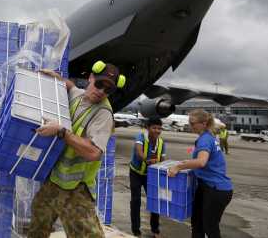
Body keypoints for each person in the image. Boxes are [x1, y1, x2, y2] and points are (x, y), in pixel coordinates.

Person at [27, 60, 126, 238]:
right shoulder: (79, 96)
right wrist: (57, 79)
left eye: (108, 90)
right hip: (55, 180)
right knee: (37, 226)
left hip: (76, 189)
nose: (101, 91)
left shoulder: (103, 114)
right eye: (100, 84)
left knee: (86, 235)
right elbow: (71, 86)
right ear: (90, 78)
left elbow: (94, 152)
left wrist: (61, 132)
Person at [168, 109, 233, 238]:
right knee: (197, 223)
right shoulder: (208, 137)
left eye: (193, 123)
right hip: (208, 187)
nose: (190, 126)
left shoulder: (205, 139)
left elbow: (202, 162)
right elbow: (205, 162)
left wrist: (178, 167)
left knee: (209, 227)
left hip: (215, 189)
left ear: (204, 123)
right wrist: (190, 162)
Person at [129, 118, 165, 237]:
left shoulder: (161, 142)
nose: (157, 130)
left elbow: (162, 160)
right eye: (154, 128)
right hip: (136, 173)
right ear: (148, 128)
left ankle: (155, 230)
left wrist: (159, 164)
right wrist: (147, 160)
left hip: (150, 175)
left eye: (159, 128)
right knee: (136, 200)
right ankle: (136, 230)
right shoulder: (141, 137)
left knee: (155, 201)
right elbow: (139, 153)